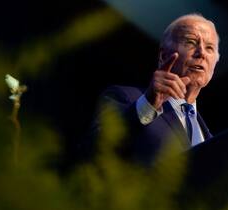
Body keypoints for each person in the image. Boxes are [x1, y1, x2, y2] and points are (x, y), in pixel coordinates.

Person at [90, 13, 220, 166]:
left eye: (209, 48)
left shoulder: (209, 136)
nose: (202, 53)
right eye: (191, 42)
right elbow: (93, 150)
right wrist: (147, 105)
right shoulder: (126, 97)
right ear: (164, 56)